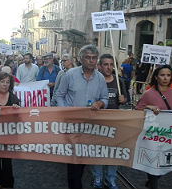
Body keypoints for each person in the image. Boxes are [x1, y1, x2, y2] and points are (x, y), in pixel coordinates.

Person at [55, 45, 108, 189]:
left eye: (94, 58)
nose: (91, 61)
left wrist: (100, 103)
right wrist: (66, 111)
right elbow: (58, 95)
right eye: (88, 57)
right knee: (73, 161)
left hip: (90, 125)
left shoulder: (100, 78)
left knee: (83, 158)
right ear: (80, 59)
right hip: (72, 124)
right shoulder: (70, 74)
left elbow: (105, 97)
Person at [135, 65, 172, 189]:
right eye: (162, 75)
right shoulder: (148, 93)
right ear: (156, 77)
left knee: (166, 161)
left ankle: (153, 179)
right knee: (154, 161)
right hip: (152, 132)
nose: (165, 78)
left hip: (169, 132)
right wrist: (148, 107)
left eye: (168, 75)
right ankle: (153, 183)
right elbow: (137, 109)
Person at [91, 54, 128, 189]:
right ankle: (98, 177)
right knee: (98, 151)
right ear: (99, 66)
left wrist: (124, 99)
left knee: (113, 151)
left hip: (114, 122)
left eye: (111, 64)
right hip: (98, 121)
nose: (109, 67)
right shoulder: (95, 80)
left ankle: (111, 178)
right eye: (106, 64)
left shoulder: (119, 81)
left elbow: (125, 100)